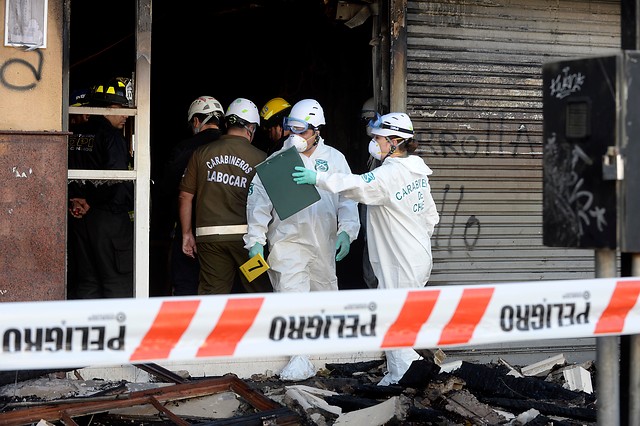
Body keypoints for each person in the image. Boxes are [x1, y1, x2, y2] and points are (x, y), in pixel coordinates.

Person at [292, 112, 440, 386]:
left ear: (395, 141)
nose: (375, 143)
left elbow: (357, 185)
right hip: (417, 254)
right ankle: (401, 372)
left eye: (379, 138)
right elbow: (431, 216)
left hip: (400, 260)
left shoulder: (389, 174)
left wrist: (318, 178)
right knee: (401, 316)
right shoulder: (417, 170)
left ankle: (407, 376)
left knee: (395, 318)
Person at [244, 98, 360, 380]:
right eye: (291, 130)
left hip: (324, 241)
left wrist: (347, 231)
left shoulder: (335, 159)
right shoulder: (276, 162)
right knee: (291, 299)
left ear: (317, 130)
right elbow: (258, 205)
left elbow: (348, 199)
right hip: (288, 242)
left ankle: (323, 359)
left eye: (302, 131)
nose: (296, 137)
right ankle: (298, 358)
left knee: (324, 301)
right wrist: (255, 240)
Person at [178, 97, 272, 295]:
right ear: (251, 127)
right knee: (257, 292)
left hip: (210, 238)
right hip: (249, 240)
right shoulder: (262, 159)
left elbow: (185, 196)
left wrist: (187, 234)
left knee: (213, 295)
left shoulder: (201, 153)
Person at [67, 77, 135, 299]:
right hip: (109, 221)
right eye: (121, 109)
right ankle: (118, 333)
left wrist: (76, 199)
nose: (126, 115)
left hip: (78, 219)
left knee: (87, 282)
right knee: (117, 282)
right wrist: (91, 201)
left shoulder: (74, 135)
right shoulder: (112, 137)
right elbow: (114, 178)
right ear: (105, 108)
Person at [159, 96, 225, 296]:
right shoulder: (232, 148)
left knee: (185, 283)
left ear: (196, 121)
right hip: (226, 227)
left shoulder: (185, 149)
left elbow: (167, 188)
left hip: (189, 225)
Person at [359, 97, 379, 289]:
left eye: (369, 120)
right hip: (370, 222)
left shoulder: (385, 154)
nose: (367, 125)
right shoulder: (373, 152)